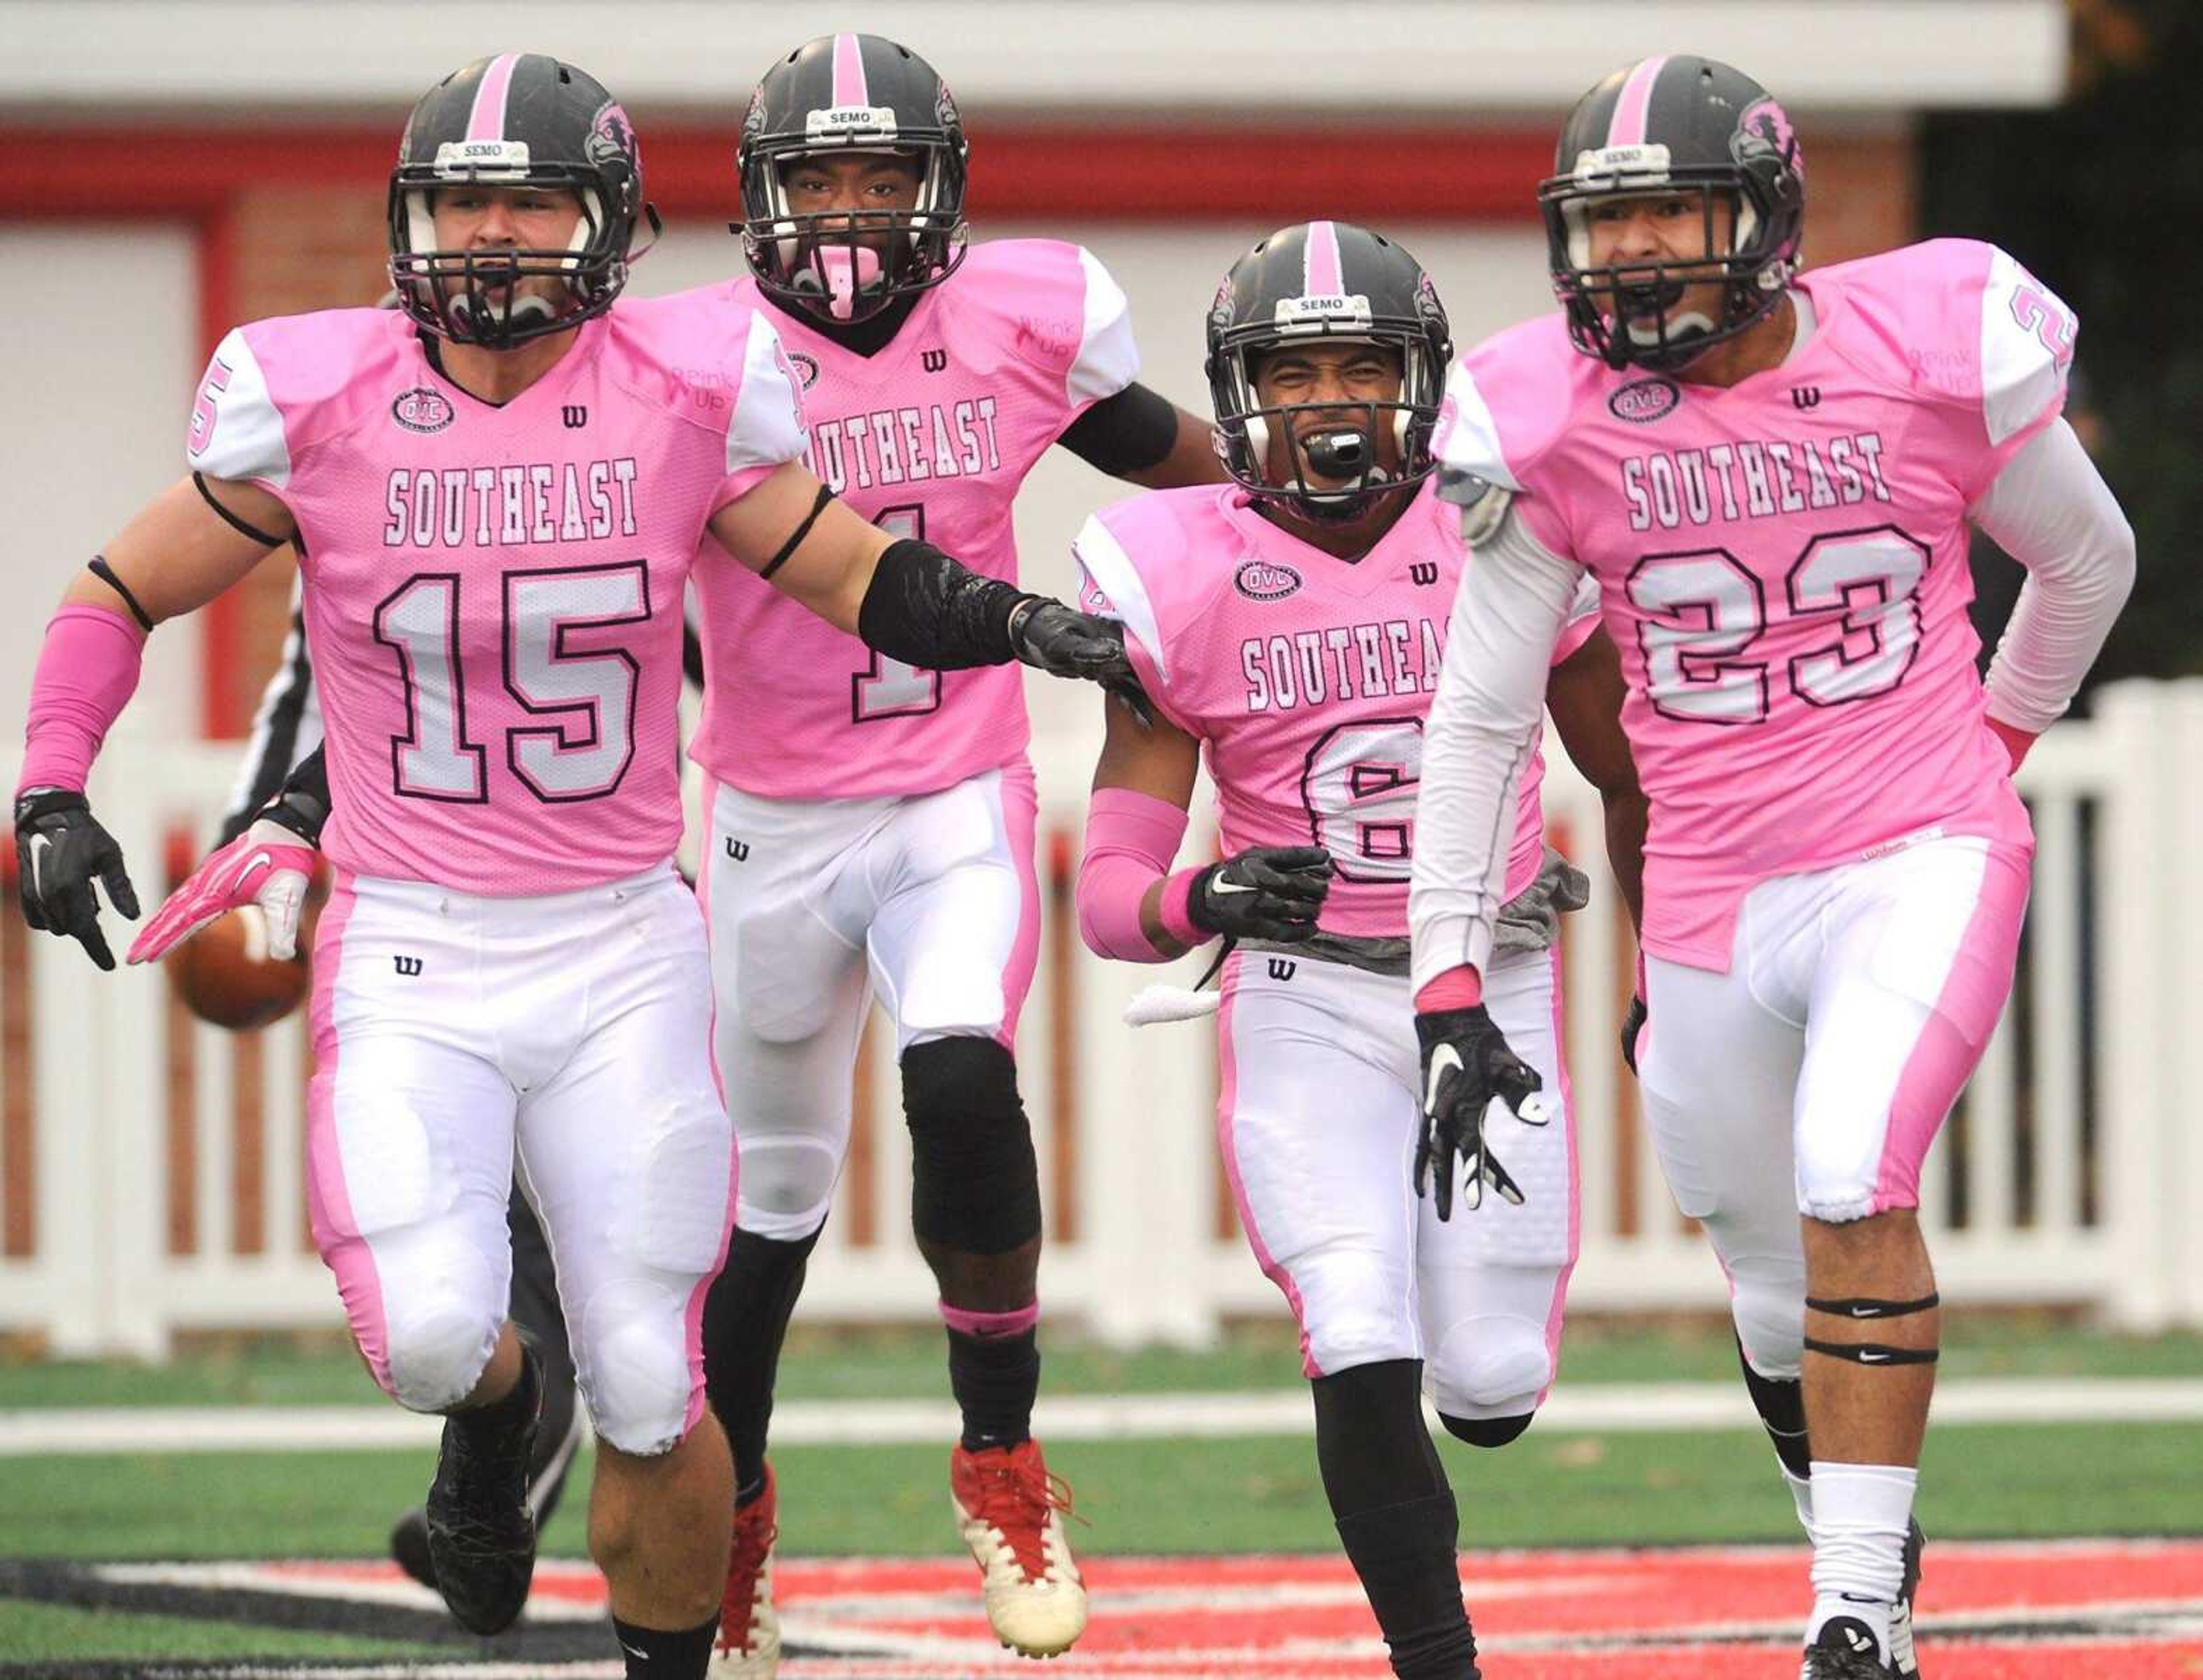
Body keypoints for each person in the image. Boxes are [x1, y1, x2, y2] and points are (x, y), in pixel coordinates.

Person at [16, 52, 1140, 1680]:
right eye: (464, 198)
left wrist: (1014, 622)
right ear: (407, 220)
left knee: (648, 1376)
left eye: (531, 196)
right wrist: (56, 782)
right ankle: (495, 1420)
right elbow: (114, 589)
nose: (493, 233)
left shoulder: (688, 383)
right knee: (429, 1340)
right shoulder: (314, 392)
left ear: (610, 221)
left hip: (622, 943)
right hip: (411, 936)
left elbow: (858, 573)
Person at [1405, 56, 2135, 1680]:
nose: (1641, 252)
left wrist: (1991, 750)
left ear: (1765, 214)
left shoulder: (1932, 340)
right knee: (1756, 1267)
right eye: (1610, 222)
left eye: (1672, 208)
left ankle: (1856, 1609)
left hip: (1917, 847)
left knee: (1849, 1174)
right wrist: (1447, 976)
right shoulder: (1551, 415)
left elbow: (2089, 564)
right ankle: (1855, 1512)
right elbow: (1477, 720)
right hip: (1714, 892)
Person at [690, 34, 1221, 1673]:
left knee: (964, 1081)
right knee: (762, 1214)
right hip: (769, 816)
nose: (850, 209)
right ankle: (735, 1516)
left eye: (880, 175)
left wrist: (1372, 522)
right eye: (820, 177)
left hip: (950, 793)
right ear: (761, 201)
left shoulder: (1022, 317)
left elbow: (1187, 469)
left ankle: (1003, 1459)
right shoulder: (691, 357)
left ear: (943, 196)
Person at [1071, 221, 1643, 1680]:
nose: (1331, 402)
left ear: (1424, 385)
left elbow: (1634, 774)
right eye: (1296, 370)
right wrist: (1202, 904)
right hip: (1306, 992)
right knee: (1353, 1310)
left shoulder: (1504, 526)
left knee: (1496, 1385)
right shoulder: (1175, 568)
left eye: (1362, 368)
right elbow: (1114, 884)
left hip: (1494, 979)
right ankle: (1435, 1665)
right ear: (1240, 395)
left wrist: (1663, 970)